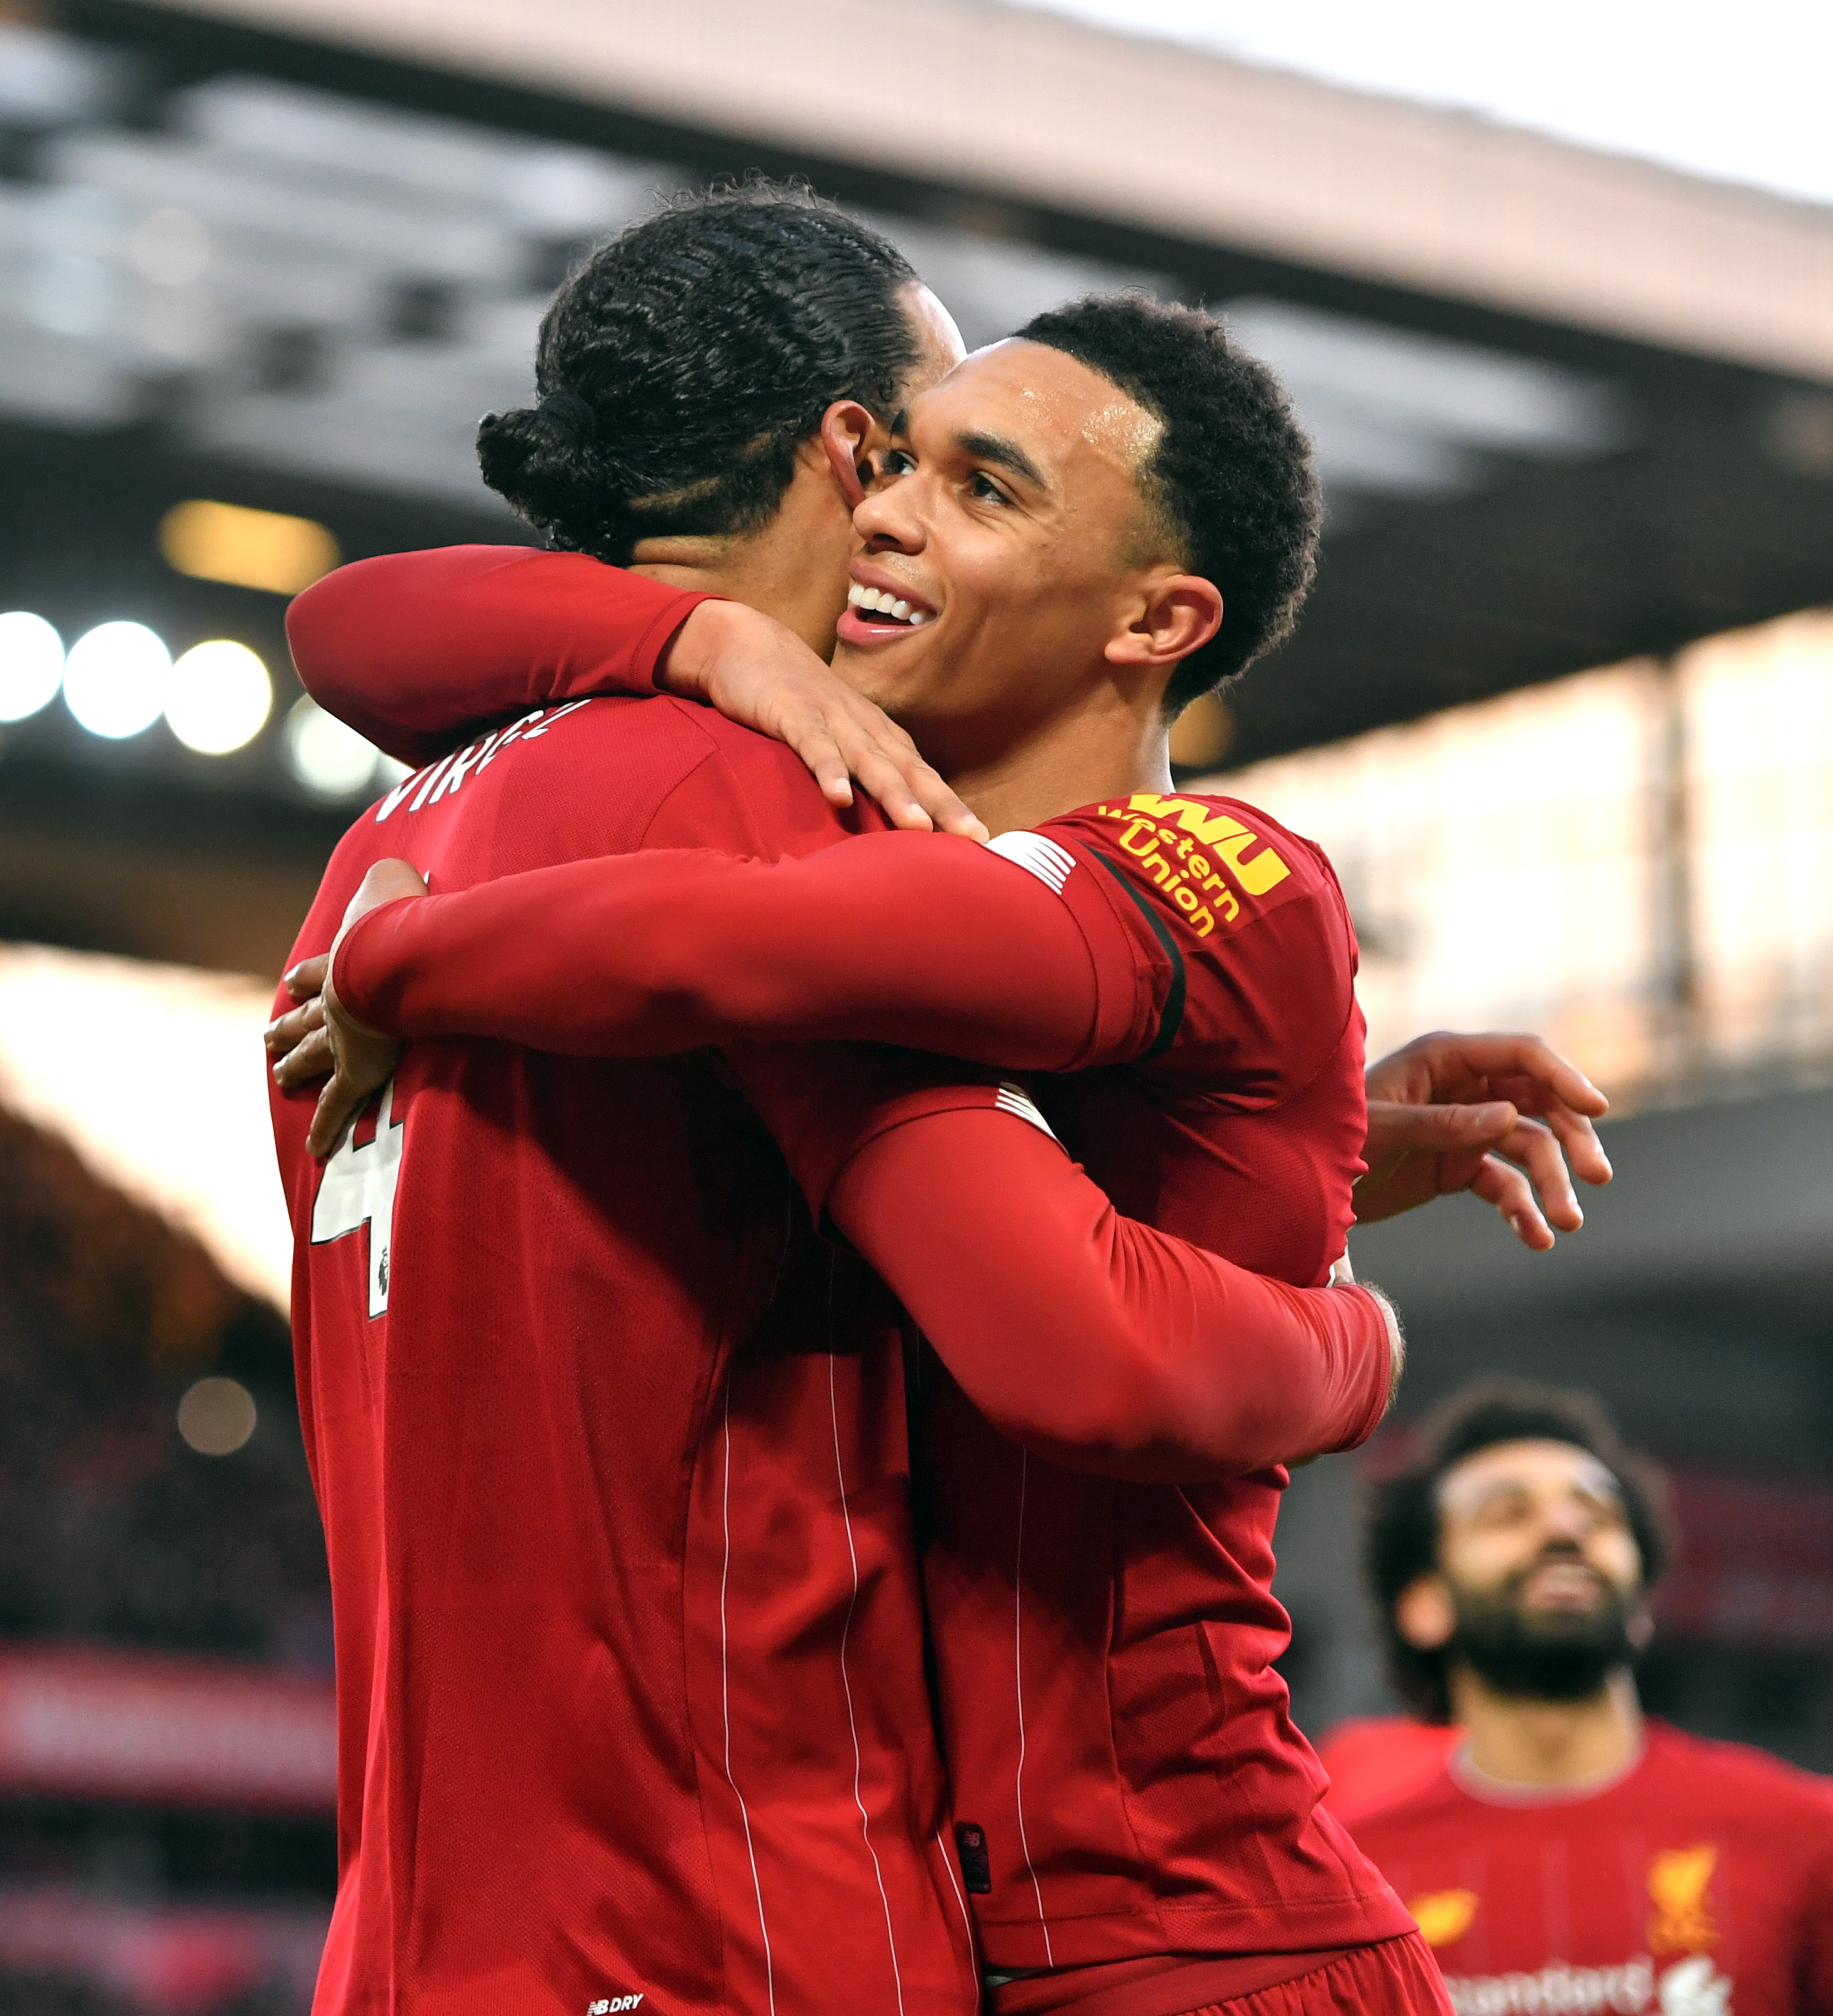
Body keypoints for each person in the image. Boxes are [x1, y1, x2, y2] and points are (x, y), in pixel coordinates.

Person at [278, 268, 1609, 2013]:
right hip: (965, 1939)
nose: (890, 511)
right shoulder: (851, 858)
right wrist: (702, 639)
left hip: (1204, 1931)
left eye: (978, 486)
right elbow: (352, 623)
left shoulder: (1209, 867)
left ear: (1154, 617)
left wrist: (1356, 1338)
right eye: (896, 461)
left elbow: (756, 965)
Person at [1341, 1380, 1833, 2013]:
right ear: (1425, 1606)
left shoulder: (1805, 1837)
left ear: (1642, 1603)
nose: (1565, 1529)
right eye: (1507, 1515)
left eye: (1598, 1516)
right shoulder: (1355, 1879)